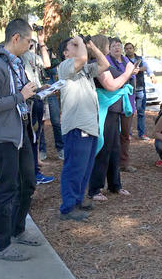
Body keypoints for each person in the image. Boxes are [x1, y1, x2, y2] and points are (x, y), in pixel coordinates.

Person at [0, 18, 41, 261]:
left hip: (21, 131)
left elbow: (20, 94)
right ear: (16, 38)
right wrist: (20, 96)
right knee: (6, 189)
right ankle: (0, 245)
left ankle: (17, 229)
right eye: (28, 41)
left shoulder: (17, 64)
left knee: (28, 183)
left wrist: (33, 93)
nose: (30, 46)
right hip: (5, 136)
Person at [57, 36, 109, 221]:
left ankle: (78, 200)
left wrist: (92, 46)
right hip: (76, 126)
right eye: (74, 46)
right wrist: (79, 39)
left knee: (85, 167)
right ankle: (68, 208)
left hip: (90, 125)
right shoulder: (65, 67)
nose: (80, 48)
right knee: (74, 168)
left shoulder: (85, 70)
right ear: (66, 53)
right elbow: (82, 58)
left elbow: (104, 64)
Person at [87, 35, 137, 202]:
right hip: (104, 110)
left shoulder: (107, 63)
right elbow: (111, 85)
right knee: (103, 149)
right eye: (109, 44)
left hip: (114, 110)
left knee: (114, 148)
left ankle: (115, 184)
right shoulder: (97, 64)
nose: (111, 47)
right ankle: (95, 188)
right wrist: (128, 73)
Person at [20, 35, 54, 185]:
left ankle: (34, 172)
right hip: (28, 104)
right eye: (28, 40)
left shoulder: (34, 56)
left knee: (35, 137)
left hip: (38, 99)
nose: (30, 44)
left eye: (32, 42)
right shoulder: (17, 58)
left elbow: (47, 64)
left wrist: (42, 43)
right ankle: (32, 174)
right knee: (30, 138)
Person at [107, 38, 137, 173]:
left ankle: (124, 162)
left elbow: (132, 81)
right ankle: (110, 162)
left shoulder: (127, 61)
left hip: (127, 102)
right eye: (114, 45)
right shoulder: (106, 61)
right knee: (111, 134)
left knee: (125, 134)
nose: (117, 48)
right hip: (112, 102)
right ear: (109, 48)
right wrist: (128, 73)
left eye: (119, 45)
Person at [124, 42, 156, 141]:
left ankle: (141, 134)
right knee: (129, 113)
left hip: (140, 89)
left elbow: (146, 67)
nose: (128, 50)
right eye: (126, 49)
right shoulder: (124, 59)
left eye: (130, 48)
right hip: (129, 89)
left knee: (141, 113)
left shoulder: (140, 59)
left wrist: (149, 74)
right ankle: (127, 134)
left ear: (133, 49)